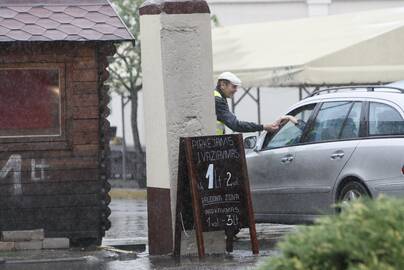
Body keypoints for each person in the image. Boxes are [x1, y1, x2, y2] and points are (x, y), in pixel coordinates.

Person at [214, 72, 297, 135]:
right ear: (223, 85)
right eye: (234, 86)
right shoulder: (218, 100)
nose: (236, 90)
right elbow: (236, 125)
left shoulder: (217, 97)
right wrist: (264, 127)